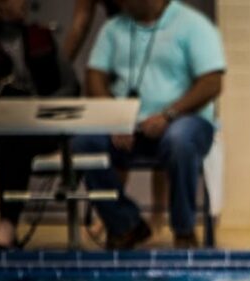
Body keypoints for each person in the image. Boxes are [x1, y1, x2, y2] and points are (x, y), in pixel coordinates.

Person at [72, 0, 225, 249]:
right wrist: (115, 118)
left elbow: (211, 82)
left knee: (180, 140)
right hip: (127, 127)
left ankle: (184, 230)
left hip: (183, 120)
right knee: (84, 142)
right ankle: (127, 225)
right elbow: (94, 76)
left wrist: (169, 115)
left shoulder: (193, 25)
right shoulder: (113, 29)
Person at [0, 0, 79, 250]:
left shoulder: (41, 36)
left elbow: (71, 86)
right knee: (9, 130)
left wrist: (42, 107)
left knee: (16, 134)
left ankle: (7, 227)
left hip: (37, 126)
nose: (24, 2)